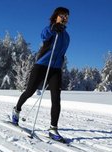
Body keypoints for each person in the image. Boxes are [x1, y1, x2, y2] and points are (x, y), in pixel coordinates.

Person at [11, 7, 70, 140]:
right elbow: (43, 36)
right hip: (42, 65)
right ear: (56, 16)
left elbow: (62, 53)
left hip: (55, 69)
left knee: (56, 98)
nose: (65, 18)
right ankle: (16, 110)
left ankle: (53, 128)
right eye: (62, 15)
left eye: (67, 16)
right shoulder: (50, 29)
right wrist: (53, 28)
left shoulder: (66, 36)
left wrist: (59, 64)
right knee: (30, 90)